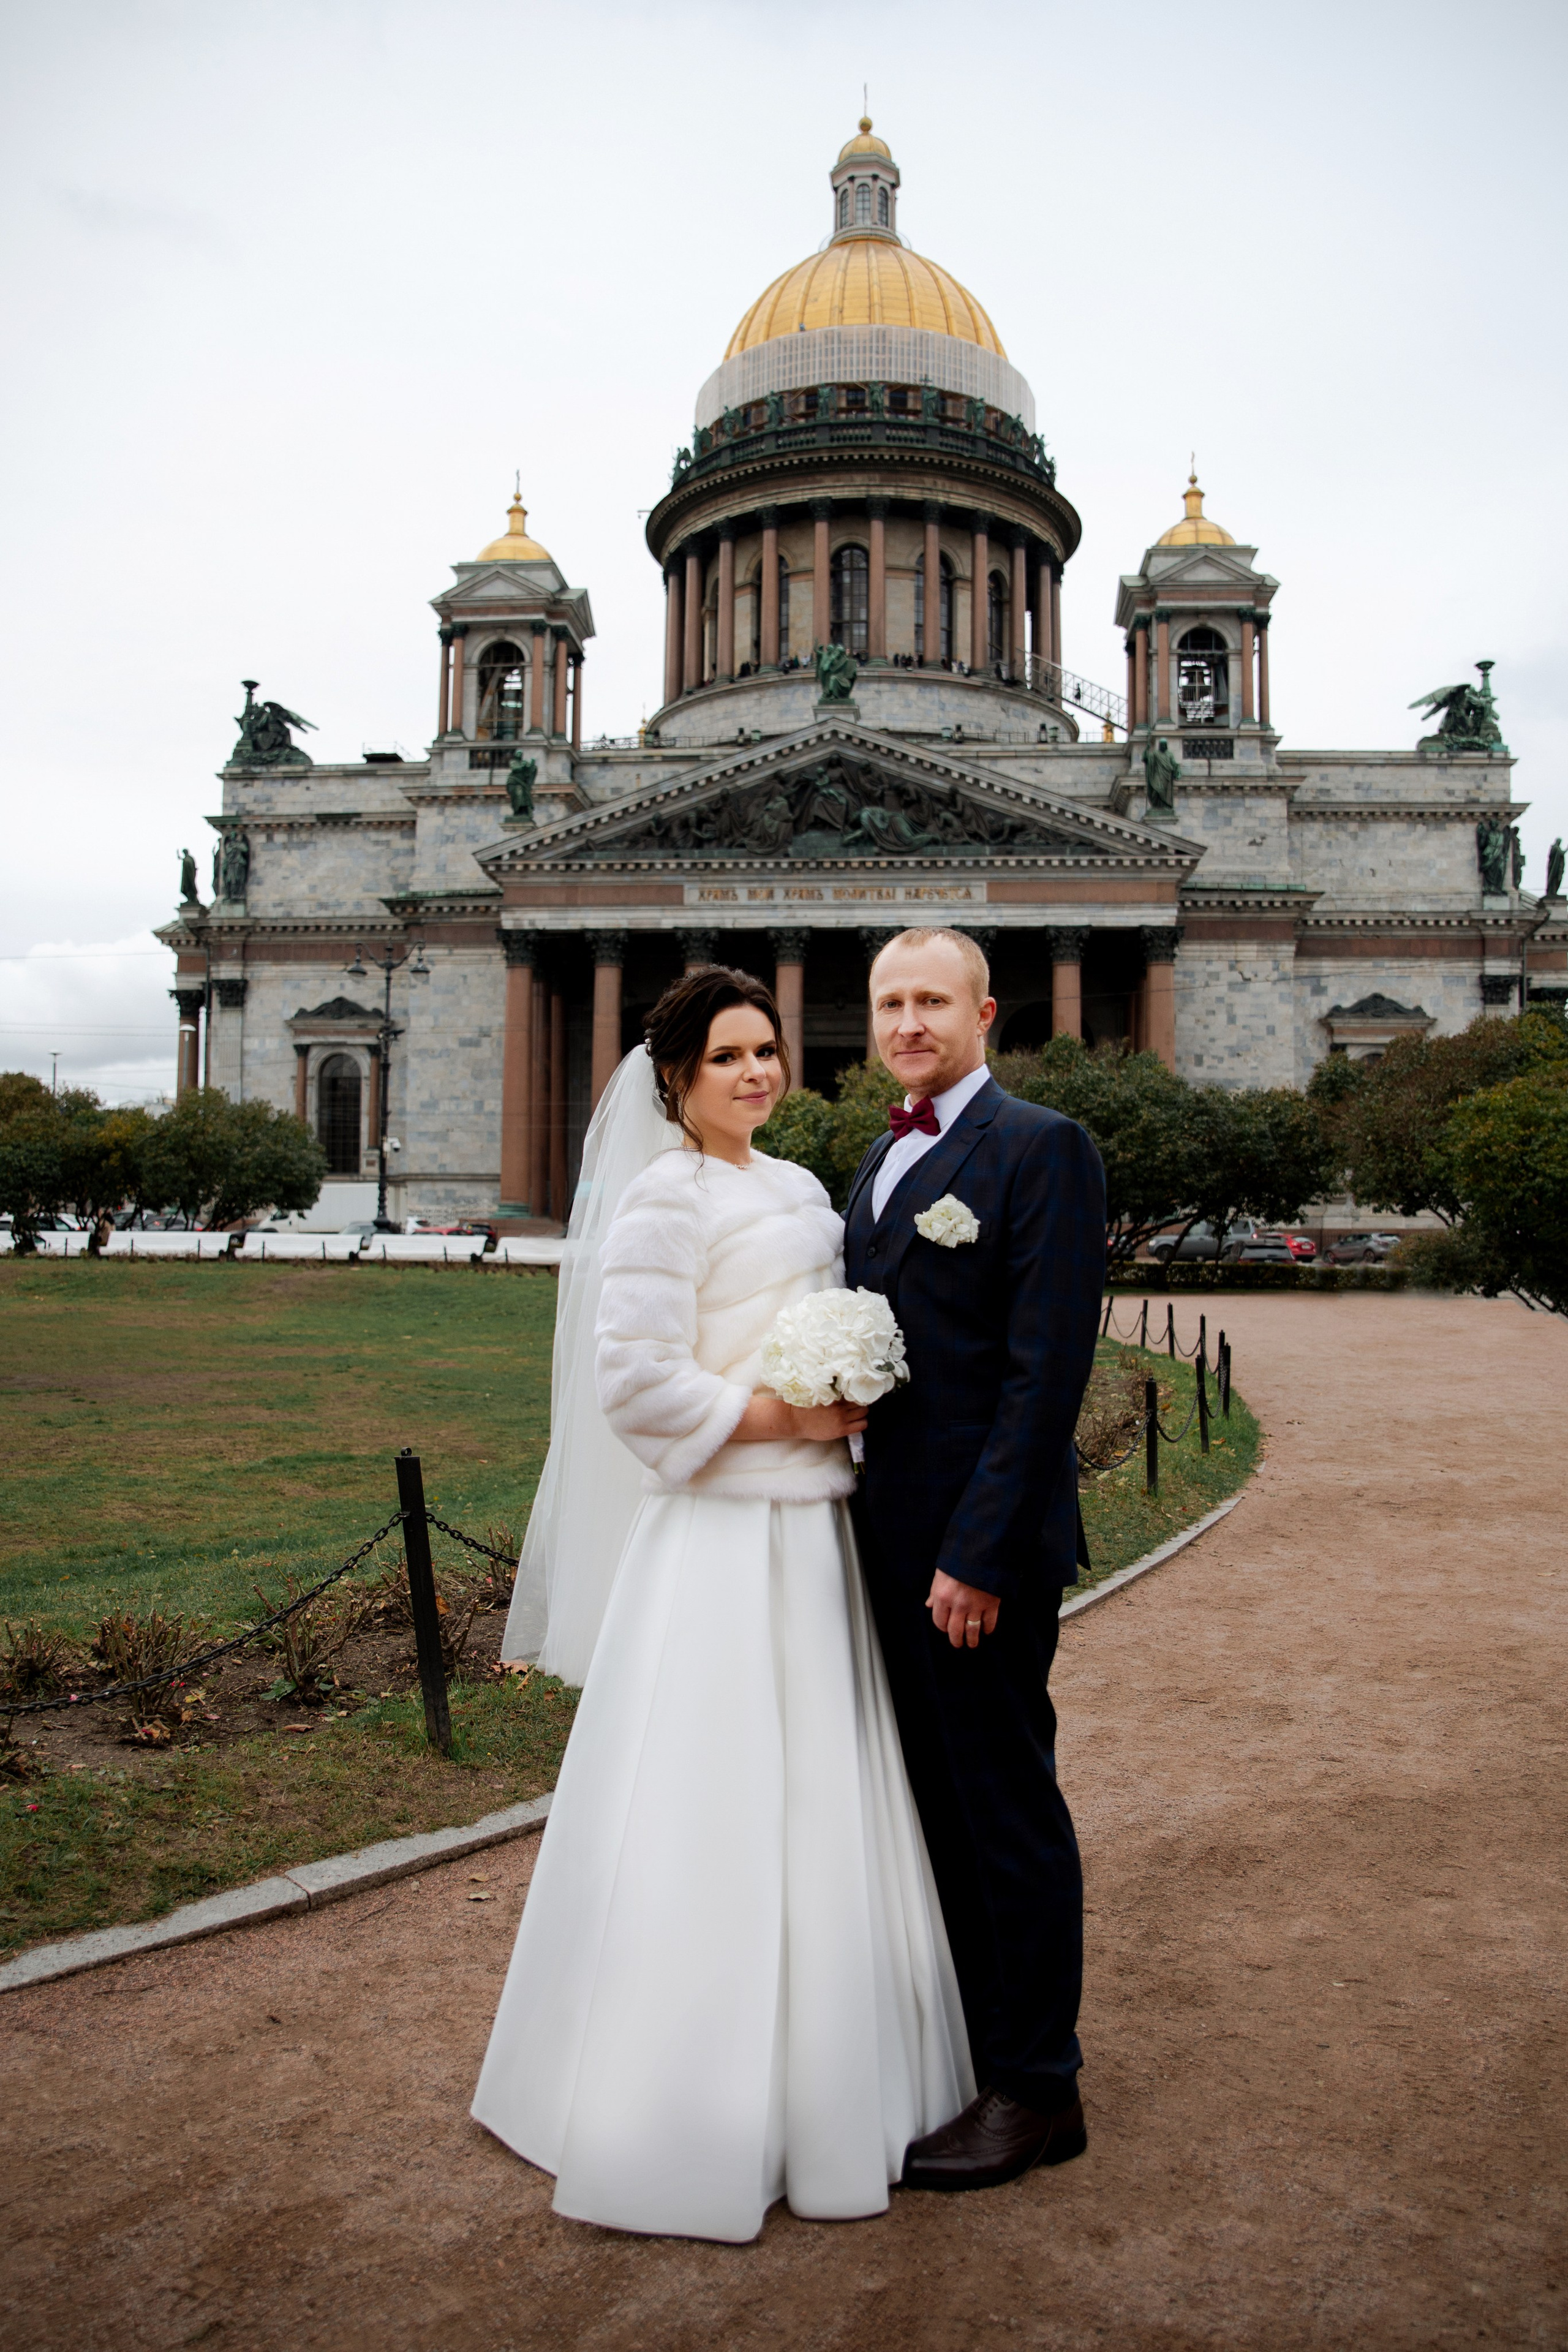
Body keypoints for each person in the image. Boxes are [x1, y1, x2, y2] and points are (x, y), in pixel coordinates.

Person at [476, 965, 973, 2242]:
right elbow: (636, 1388)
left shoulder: (803, 1186)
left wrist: (849, 1404)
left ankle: (836, 2090)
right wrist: (779, 1416)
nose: (757, 1073)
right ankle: (678, 2106)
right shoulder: (658, 1198)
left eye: (765, 1052)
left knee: (823, 1801)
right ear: (676, 1081)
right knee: (709, 1808)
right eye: (727, 1058)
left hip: (814, 1540)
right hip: (716, 1540)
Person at [842, 928, 1106, 2191]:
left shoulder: (1040, 1148)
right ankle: (976, 2051)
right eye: (890, 1001)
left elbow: (1039, 1373)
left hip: (971, 1560)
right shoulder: (881, 1158)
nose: (908, 1021)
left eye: (931, 1000)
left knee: (1002, 1810)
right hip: (883, 1543)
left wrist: (978, 1554)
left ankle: (1037, 2090)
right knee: (936, 1809)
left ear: (982, 1012)